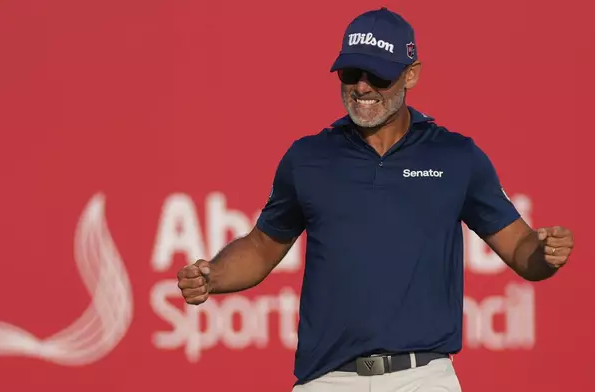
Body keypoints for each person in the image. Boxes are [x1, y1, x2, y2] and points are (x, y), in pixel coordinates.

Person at [176, 7, 575, 392]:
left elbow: (521, 249)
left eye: (379, 75)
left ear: (411, 75)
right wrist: (214, 275)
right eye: (351, 73)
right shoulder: (308, 158)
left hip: (422, 378)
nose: (362, 87)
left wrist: (544, 253)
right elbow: (262, 246)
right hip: (326, 378)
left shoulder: (456, 157)